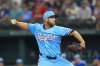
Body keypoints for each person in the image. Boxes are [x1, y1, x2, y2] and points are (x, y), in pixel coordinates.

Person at [11, 11, 85, 66]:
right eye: (52, 17)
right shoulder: (37, 28)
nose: (54, 19)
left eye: (54, 17)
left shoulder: (58, 29)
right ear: (46, 19)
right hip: (44, 60)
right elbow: (26, 25)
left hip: (58, 59)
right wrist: (17, 22)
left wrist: (82, 41)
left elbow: (73, 32)